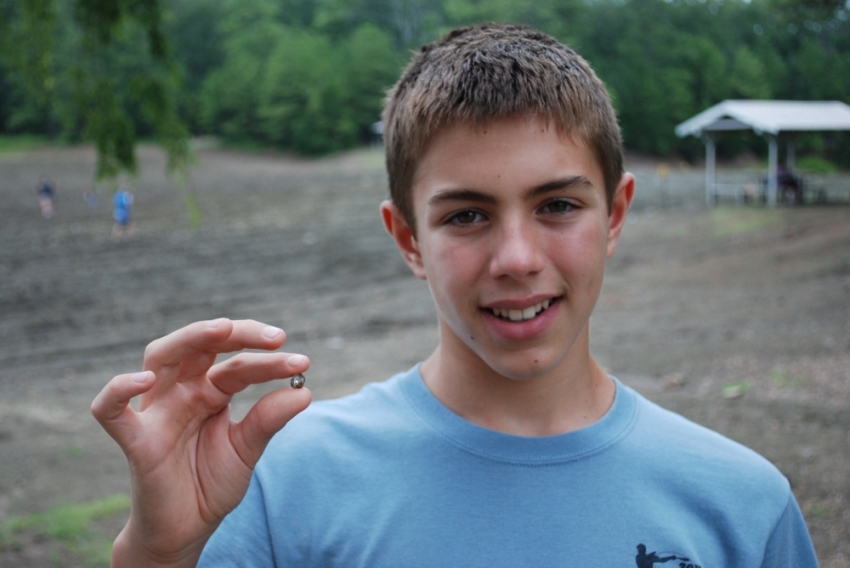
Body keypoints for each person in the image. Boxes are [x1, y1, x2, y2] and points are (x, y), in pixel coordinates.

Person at [91, 23, 819, 567]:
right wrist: (158, 555)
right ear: (408, 238)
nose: (516, 258)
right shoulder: (289, 484)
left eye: (558, 206)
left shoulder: (740, 507)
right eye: (466, 215)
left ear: (616, 216)